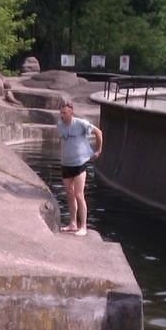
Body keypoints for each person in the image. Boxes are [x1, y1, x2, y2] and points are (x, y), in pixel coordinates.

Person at [57, 97, 102, 235]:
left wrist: (98, 150)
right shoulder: (59, 125)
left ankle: (83, 226)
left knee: (79, 194)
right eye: (61, 112)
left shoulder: (80, 124)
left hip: (79, 164)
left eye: (65, 113)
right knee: (70, 195)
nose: (62, 115)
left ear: (71, 113)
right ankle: (72, 223)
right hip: (66, 164)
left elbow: (98, 132)